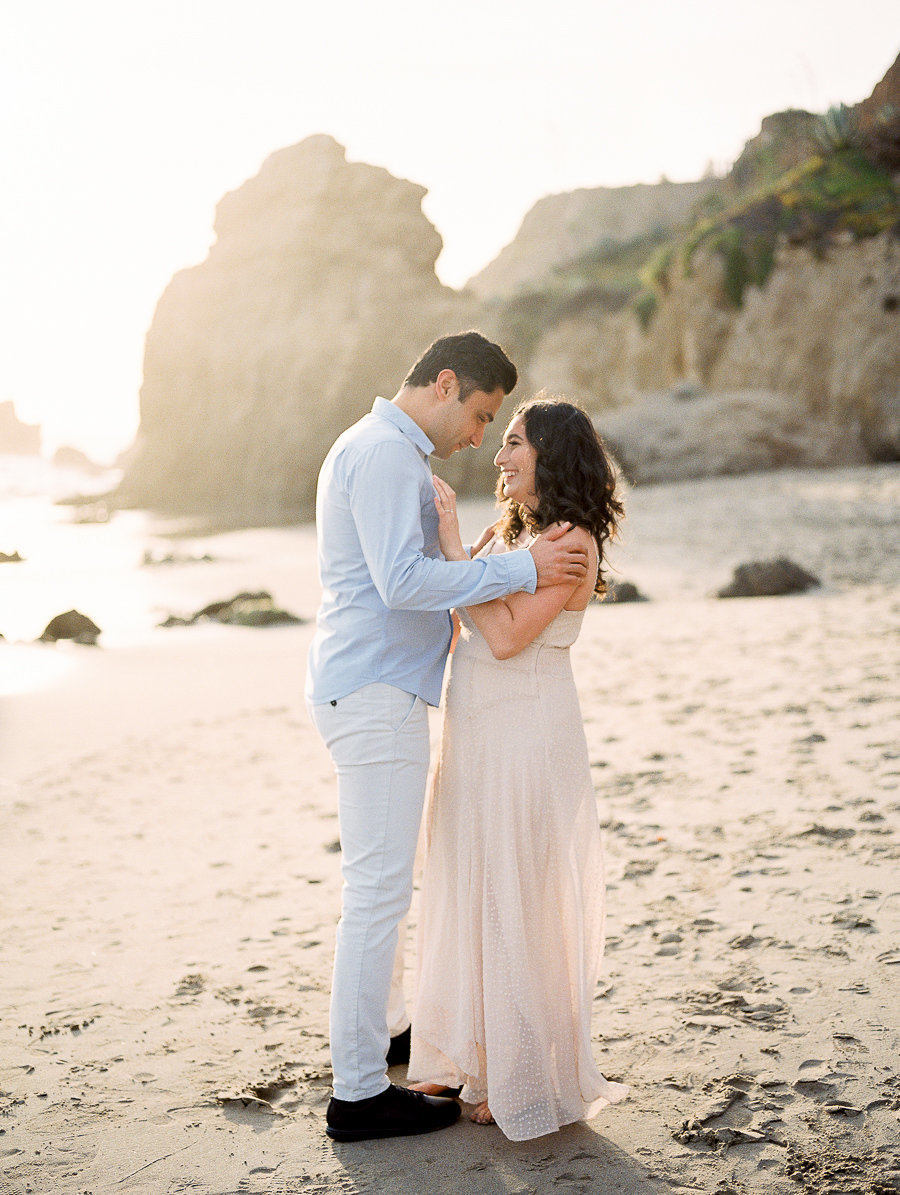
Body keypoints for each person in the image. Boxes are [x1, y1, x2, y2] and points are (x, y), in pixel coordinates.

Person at [305, 333, 589, 1142]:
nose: (477, 438)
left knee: (380, 889)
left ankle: (387, 1031)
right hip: (377, 693)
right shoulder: (390, 456)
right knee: (378, 896)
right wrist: (520, 570)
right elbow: (403, 583)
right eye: (478, 415)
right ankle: (359, 1092)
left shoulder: (363, 446)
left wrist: (493, 561)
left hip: (363, 685)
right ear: (443, 382)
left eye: (495, 427)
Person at [407, 394, 630, 1140]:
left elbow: (503, 637)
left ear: (551, 455)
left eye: (513, 443)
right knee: (470, 884)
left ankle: (519, 1073)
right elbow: (459, 606)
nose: (499, 457)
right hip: (476, 729)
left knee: (517, 897)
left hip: (527, 733)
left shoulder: (571, 543)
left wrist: (448, 549)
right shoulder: (509, 530)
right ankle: (463, 1050)